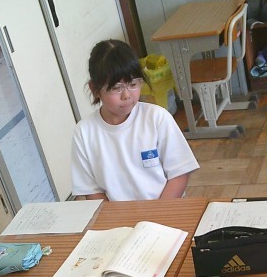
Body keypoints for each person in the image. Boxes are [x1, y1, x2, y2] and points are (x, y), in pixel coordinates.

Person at [71, 39, 199, 201]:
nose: (126, 95)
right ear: (94, 88)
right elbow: (91, 190)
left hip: (164, 208)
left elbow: (179, 174)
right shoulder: (84, 132)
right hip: (116, 214)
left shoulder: (157, 118)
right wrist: (116, 215)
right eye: (116, 88)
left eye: (133, 84)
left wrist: (158, 212)